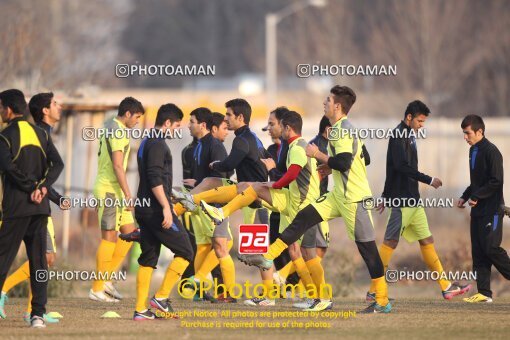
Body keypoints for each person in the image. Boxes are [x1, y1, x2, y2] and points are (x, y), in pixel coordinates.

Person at [236, 86, 392, 314]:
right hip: (339, 194)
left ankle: (383, 300)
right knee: (304, 217)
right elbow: (363, 158)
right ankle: (267, 256)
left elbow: (347, 162)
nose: (324, 103)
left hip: (354, 199)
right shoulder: (340, 128)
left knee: (367, 249)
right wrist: (331, 166)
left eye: (328, 100)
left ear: (337, 106)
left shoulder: (342, 130)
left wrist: (319, 155)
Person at [200, 111, 330, 310]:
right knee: (297, 251)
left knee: (305, 253)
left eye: (272, 124)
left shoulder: (256, 142)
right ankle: (307, 297)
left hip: (294, 207)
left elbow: (290, 174)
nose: (269, 129)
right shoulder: (275, 147)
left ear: (285, 127)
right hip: (284, 204)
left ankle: (318, 298)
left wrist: (272, 180)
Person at [366, 100, 471, 302]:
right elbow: (400, 167)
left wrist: (384, 196)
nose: (422, 125)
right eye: (420, 121)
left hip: (414, 202)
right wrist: (429, 180)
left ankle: (446, 287)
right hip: (402, 203)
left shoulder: (409, 135)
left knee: (427, 241)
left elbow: (393, 169)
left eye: (423, 121)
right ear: (409, 117)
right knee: (390, 243)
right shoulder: (398, 135)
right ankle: (373, 291)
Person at [1, 92, 69, 324]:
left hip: (16, 208)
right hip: (40, 208)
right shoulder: (41, 133)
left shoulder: (5, 136)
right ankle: (37, 315)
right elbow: (58, 164)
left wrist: (31, 186)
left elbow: (9, 169)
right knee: (39, 262)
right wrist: (42, 187)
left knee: (3, 258)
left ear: (9, 110)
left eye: (1, 108)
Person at [133, 104, 194, 320]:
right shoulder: (158, 143)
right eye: (176, 126)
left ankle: (140, 311)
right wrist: (166, 207)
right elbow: (154, 178)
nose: (176, 131)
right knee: (186, 251)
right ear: (167, 123)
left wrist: (171, 195)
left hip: (143, 208)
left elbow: (155, 179)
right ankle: (161, 297)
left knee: (148, 258)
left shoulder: (147, 141)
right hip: (155, 210)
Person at [89, 97, 144, 302]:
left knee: (131, 234)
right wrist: (129, 194)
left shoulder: (110, 126)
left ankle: (108, 281)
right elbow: (118, 166)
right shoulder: (119, 130)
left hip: (113, 191)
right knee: (109, 238)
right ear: (128, 114)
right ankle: (97, 288)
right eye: (137, 117)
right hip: (110, 191)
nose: (137, 121)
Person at [457, 114, 510, 303]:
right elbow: (476, 182)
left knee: (491, 248)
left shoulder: (492, 151)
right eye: (463, 133)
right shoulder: (473, 151)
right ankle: (484, 294)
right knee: (478, 251)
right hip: (478, 211)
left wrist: (477, 196)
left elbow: (496, 181)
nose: (465, 137)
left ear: (480, 131)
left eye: (467, 133)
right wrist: (465, 196)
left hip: (493, 209)